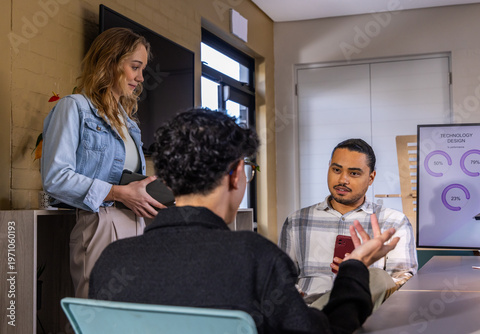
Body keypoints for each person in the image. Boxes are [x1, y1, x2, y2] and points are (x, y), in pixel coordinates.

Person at [89, 109, 400, 334]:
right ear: (236, 175)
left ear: (167, 179)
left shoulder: (111, 260)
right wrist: (355, 266)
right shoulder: (255, 257)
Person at [41, 27, 165, 298]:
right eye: (135, 67)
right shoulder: (73, 108)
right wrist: (118, 193)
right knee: (97, 319)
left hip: (135, 224)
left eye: (142, 69)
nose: (140, 78)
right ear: (111, 61)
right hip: (101, 223)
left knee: (130, 319)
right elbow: (55, 177)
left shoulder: (129, 123)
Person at [279, 138, 418, 309]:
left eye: (354, 173)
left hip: (364, 311)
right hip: (308, 313)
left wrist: (359, 274)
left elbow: (404, 282)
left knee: (378, 278)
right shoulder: (297, 221)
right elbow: (282, 279)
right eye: (336, 169)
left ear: (371, 177)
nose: (343, 179)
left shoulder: (394, 222)